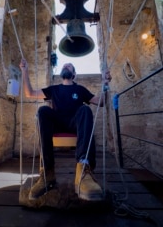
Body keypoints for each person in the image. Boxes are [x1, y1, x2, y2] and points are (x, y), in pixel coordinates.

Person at [19, 58, 112, 201]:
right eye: (65, 65)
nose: (66, 66)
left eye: (70, 66)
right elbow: (30, 93)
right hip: (58, 122)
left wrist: (105, 84)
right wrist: (24, 71)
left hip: (75, 123)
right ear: (62, 73)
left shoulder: (80, 89)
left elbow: (101, 102)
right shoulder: (54, 89)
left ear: (74, 74)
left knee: (85, 110)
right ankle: (47, 173)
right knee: (43, 111)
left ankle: (83, 171)